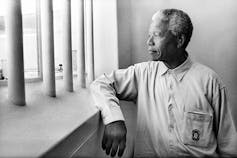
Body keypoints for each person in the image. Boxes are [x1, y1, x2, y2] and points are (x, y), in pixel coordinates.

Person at [90, 8, 237, 157]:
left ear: (179, 40)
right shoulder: (142, 74)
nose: (149, 42)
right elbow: (101, 84)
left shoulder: (210, 83)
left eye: (157, 35)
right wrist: (114, 119)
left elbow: (229, 147)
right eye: (149, 35)